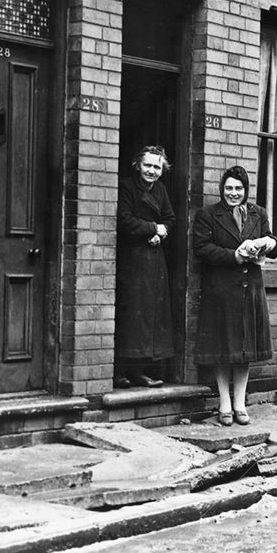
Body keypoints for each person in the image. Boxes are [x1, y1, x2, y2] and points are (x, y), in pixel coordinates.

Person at [192, 165, 277, 426]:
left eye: (238, 188)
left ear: (246, 190)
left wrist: (269, 243)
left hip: (250, 289)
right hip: (221, 291)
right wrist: (234, 255)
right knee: (223, 349)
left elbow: (273, 243)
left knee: (245, 350)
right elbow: (202, 248)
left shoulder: (258, 213)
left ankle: (240, 404)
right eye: (229, 188)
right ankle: (224, 404)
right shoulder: (208, 215)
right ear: (222, 189)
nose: (233, 193)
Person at [114, 145, 175, 388]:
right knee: (130, 316)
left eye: (156, 167)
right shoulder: (126, 187)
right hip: (132, 260)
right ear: (137, 165)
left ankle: (138, 371)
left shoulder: (160, 189)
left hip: (153, 262)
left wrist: (161, 234)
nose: (151, 171)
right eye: (147, 165)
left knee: (149, 318)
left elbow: (169, 218)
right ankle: (120, 372)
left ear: (162, 170)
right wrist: (153, 228)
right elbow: (124, 220)